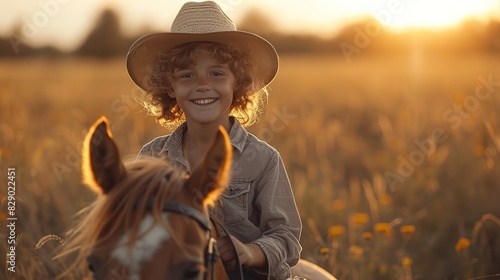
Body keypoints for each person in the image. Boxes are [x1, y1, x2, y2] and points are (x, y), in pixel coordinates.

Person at [128, 2, 302, 279]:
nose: (202, 85)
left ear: (238, 82)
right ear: (170, 88)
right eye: (187, 75)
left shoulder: (264, 159)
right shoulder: (152, 156)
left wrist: (249, 252)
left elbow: (286, 237)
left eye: (217, 73)